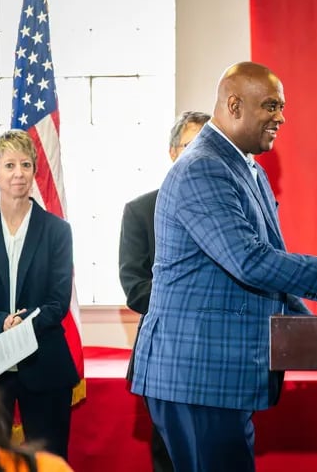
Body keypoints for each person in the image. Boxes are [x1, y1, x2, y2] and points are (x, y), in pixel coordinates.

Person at [130, 61, 317, 472]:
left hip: (222, 378)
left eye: (281, 107)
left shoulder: (249, 169)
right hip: (198, 376)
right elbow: (248, 260)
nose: (281, 117)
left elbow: (269, 265)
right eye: (271, 106)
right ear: (234, 105)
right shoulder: (203, 167)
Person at [118, 110, 209, 472]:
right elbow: (135, 288)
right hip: (165, 355)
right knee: (170, 458)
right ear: (172, 153)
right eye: (191, 145)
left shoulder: (234, 210)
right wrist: (199, 297)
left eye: (208, 145)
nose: (201, 154)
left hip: (222, 355)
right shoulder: (141, 210)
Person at [0, 130, 79, 460]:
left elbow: (58, 300)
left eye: (26, 164)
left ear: (35, 172)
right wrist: (3, 321)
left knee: (50, 458)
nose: (19, 173)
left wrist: (23, 324)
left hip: (45, 363)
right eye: (9, 165)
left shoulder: (58, 230)